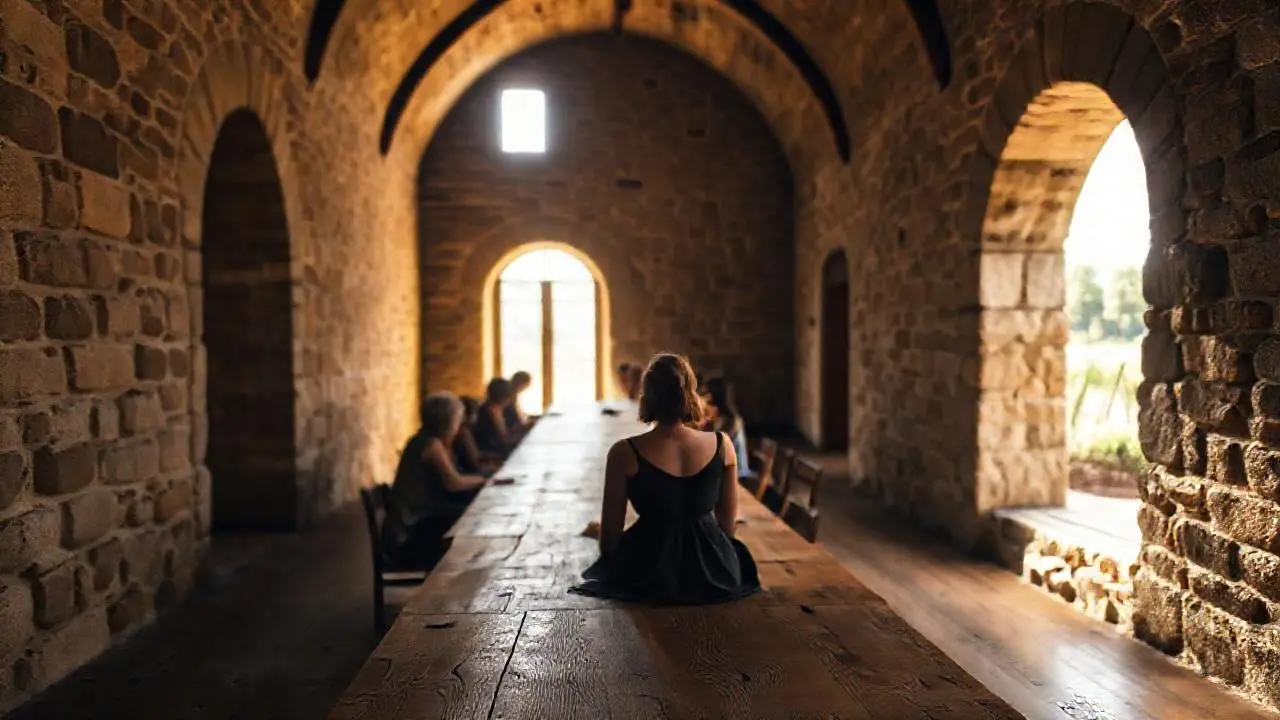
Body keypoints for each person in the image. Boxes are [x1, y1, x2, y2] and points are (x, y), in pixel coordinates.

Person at [570, 353, 760, 605]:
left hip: (649, 573)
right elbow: (726, 530)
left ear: (647, 395)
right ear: (691, 394)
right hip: (714, 574)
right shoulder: (722, 445)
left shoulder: (624, 452)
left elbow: (610, 545)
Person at [382, 392, 488, 570]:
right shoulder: (431, 445)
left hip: (414, 525)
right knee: (472, 521)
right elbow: (454, 483)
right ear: (447, 420)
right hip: (408, 537)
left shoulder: (424, 439)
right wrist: (482, 480)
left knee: (468, 516)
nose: (459, 424)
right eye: (457, 419)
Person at [701, 376, 751, 480]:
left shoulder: (733, 421)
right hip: (724, 473)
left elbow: (719, 448)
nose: (703, 398)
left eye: (706, 393)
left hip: (738, 477)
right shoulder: (715, 418)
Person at [454, 396, 498, 476]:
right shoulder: (464, 433)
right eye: (476, 413)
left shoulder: (462, 431)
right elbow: (475, 461)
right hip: (470, 474)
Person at [473, 377, 516, 454]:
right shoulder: (493, 410)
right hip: (491, 450)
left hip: (494, 445)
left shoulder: (489, 406)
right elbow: (503, 438)